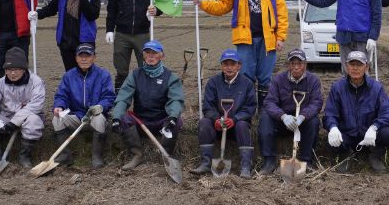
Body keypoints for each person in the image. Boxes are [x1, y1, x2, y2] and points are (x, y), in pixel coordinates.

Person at [193, 0, 288, 108]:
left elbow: (282, 14)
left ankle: (264, 113)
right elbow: (222, 5)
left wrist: (280, 37)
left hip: (268, 39)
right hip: (245, 39)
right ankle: (246, 112)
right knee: (246, 76)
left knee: (265, 77)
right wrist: (203, 3)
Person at [295, 0, 382, 74]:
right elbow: (323, 1)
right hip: (344, 36)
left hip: (363, 37)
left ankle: (364, 93)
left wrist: (373, 37)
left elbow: (377, 14)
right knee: (347, 71)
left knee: (362, 71)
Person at [110, 40, 185, 170]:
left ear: (162, 55)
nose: (151, 56)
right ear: (143, 55)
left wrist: (172, 116)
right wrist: (116, 117)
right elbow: (123, 98)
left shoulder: (171, 77)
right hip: (140, 121)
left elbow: (176, 100)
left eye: (154, 53)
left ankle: (166, 154)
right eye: (147, 53)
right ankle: (137, 155)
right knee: (124, 118)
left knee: (177, 121)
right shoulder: (134, 75)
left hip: (162, 122)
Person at [323, 50, 389, 173]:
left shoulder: (376, 87)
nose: (355, 68)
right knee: (331, 141)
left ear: (366, 67)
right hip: (348, 135)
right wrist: (333, 127)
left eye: (359, 65)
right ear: (347, 67)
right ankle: (346, 154)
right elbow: (330, 113)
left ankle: (375, 155)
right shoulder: (338, 87)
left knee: (387, 133)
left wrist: (374, 127)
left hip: (370, 137)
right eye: (352, 65)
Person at [191, 49, 258, 179]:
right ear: (221, 66)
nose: (229, 68)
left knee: (243, 125)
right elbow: (208, 106)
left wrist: (235, 119)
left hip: (236, 126)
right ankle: (206, 163)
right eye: (225, 64)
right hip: (217, 126)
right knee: (204, 122)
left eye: (232, 64)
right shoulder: (213, 82)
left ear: (239, 65)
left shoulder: (247, 84)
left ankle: (245, 166)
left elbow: (250, 108)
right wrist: (216, 119)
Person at [0, 47, 46, 168]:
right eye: (9, 69)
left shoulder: (36, 82)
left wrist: (15, 122)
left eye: (16, 69)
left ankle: (24, 156)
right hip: (6, 118)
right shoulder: (0, 83)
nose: (12, 73)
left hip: (27, 118)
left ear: (24, 69)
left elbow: (36, 104)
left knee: (34, 120)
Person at [258, 48, 324, 174]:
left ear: (305, 64)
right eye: (293, 64)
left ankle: (306, 161)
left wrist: (303, 116)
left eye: (299, 63)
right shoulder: (278, 79)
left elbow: (317, 103)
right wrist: (283, 116)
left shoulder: (313, 80)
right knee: (265, 118)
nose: (296, 67)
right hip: (282, 121)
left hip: (302, 122)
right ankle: (269, 161)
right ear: (289, 65)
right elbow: (269, 102)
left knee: (314, 121)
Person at [51, 43, 116, 168]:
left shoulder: (103, 75)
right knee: (57, 118)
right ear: (76, 58)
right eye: (81, 56)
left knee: (99, 119)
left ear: (94, 57)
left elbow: (109, 97)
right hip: (76, 116)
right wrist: (59, 106)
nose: (84, 59)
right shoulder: (69, 76)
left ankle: (96, 156)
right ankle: (65, 155)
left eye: (88, 56)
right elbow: (61, 95)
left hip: (95, 116)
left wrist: (100, 107)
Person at [105, 0, 161, 91]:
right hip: (122, 34)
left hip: (142, 34)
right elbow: (111, 9)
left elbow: (159, 4)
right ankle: (120, 98)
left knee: (146, 67)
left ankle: (145, 97)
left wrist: (156, 11)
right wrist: (109, 30)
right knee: (121, 69)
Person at [31, 0, 101, 72]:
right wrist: (37, 13)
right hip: (65, 40)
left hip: (84, 41)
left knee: (85, 72)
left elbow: (92, 15)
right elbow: (51, 9)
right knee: (70, 72)